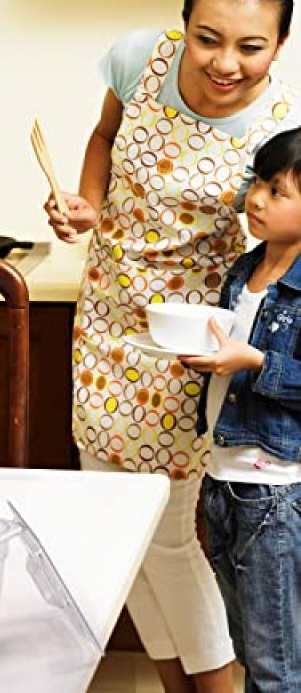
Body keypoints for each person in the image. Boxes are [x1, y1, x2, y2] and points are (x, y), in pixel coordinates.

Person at [44, 0, 301, 693]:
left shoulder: (281, 126)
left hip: (192, 340)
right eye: (207, 38)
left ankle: (216, 689)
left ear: (279, 45)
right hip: (106, 320)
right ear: (182, 26)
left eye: (251, 47)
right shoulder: (136, 59)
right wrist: (88, 204)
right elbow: (103, 138)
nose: (226, 63)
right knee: (115, 524)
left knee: (163, 536)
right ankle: (174, 683)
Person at [182, 127, 301, 693]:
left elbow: (264, 366)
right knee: (247, 650)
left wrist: (254, 361)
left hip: (275, 489)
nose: (256, 198)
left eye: (278, 191)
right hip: (224, 480)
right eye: (259, 181)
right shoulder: (244, 271)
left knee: (278, 666)